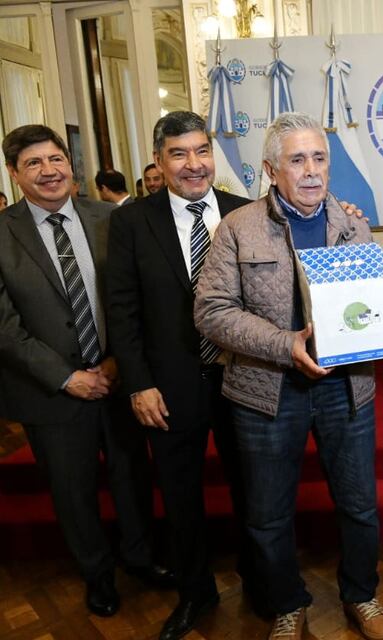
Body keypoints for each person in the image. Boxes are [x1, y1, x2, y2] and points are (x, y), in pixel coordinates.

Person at [194, 112, 383, 640]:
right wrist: (285, 345)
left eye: (319, 158)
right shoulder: (237, 228)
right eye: (297, 160)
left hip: (346, 388)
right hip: (267, 392)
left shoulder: (352, 223)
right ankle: (286, 604)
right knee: (268, 515)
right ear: (271, 169)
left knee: (359, 505)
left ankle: (362, 595)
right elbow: (212, 312)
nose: (312, 170)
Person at [0, 124, 172, 618]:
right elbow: (4, 328)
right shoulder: (2, 232)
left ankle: (141, 559)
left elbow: (136, 296)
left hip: (119, 380)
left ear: (70, 165)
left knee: (131, 477)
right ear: (15, 174)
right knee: (72, 491)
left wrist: (119, 361)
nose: (49, 171)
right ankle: (97, 575)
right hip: (48, 392)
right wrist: (67, 377)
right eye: (33, 163)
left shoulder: (113, 219)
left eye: (55, 159)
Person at [106, 111, 254, 640]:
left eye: (201, 151)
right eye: (178, 154)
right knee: (182, 495)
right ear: (159, 161)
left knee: (252, 488)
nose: (193, 164)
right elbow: (121, 311)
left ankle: (258, 581)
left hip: (243, 379)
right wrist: (139, 383)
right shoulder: (129, 222)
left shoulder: (247, 213)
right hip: (168, 386)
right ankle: (196, 593)